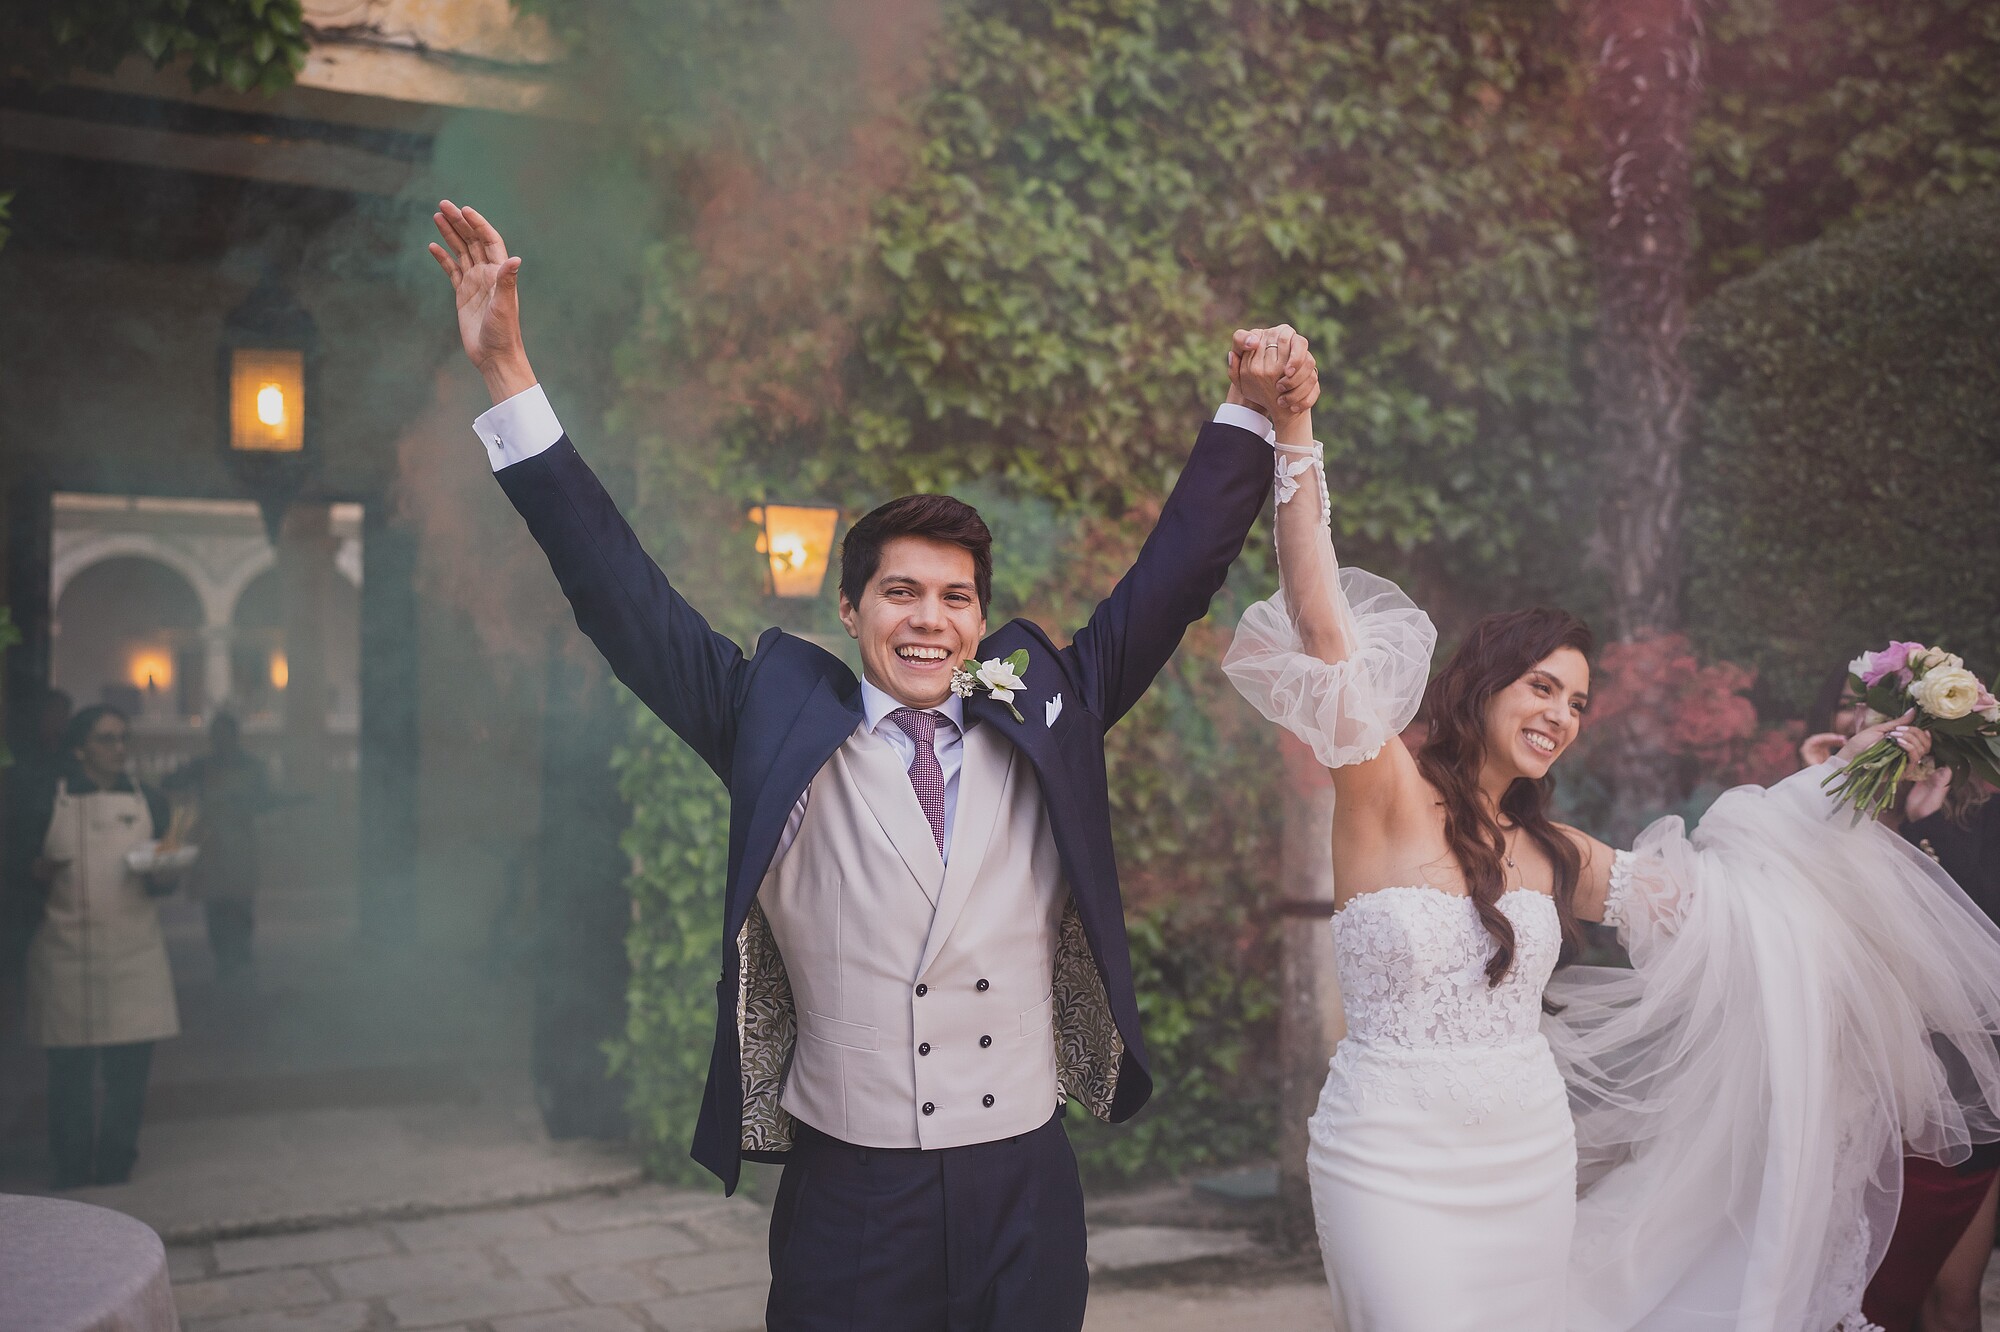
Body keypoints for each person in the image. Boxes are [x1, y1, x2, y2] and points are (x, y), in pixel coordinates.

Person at [426, 199, 1306, 1329]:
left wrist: (1247, 411)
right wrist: (506, 369)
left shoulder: (1047, 702)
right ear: (850, 610)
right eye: (900, 592)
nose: (929, 620)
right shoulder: (768, 716)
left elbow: (1172, 578)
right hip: (853, 1190)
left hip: (1022, 1181)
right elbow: (614, 589)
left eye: (955, 597)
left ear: (981, 617)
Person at [1221, 335, 2000, 1331]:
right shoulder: (1383, 791)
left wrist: (1869, 772)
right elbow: (1322, 620)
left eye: (1576, 701)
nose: (1557, 713)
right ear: (1482, 684)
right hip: (1387, 1155)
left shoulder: (1557, 854)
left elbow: (1742, 907)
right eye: (1540, 685)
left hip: (1525, 1158)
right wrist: (1293, 431)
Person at [1798, 671, 2000, 1332]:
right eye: (1848, 709)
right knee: (1862, 1297)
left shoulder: (1968, 813)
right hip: (1858, 1099)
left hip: (1965, 1097)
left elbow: (1974, 945)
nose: (1865, 723)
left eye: (1878, 711)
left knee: (1951, 1294)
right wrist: (1825, 784)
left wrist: (1925, 824)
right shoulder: (1827, 807)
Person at [22, 704, 182, 1188]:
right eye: (106, 739)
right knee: (69, 1072)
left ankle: (116, 1163)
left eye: (121, 738)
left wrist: (163, 874)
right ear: (80, 748)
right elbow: (20, 876)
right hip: (66, 948)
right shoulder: (49, 802)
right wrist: (35, 875)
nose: (118, 748)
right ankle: (70, 1164)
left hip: (133, 951)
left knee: (128, 1074)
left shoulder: (151, 803)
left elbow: (166, 879)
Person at [165, 713, 281, 978]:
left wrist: (245, 804)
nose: (221, 740)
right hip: (212, 841)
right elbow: (171, 782)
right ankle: (222, 955)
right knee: (215, 902)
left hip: (241, 840)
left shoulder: (253, 766)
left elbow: (265, 800)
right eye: (216, 734)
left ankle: (241, 951)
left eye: (225, 734)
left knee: (242, 900)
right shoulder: (203, 766)